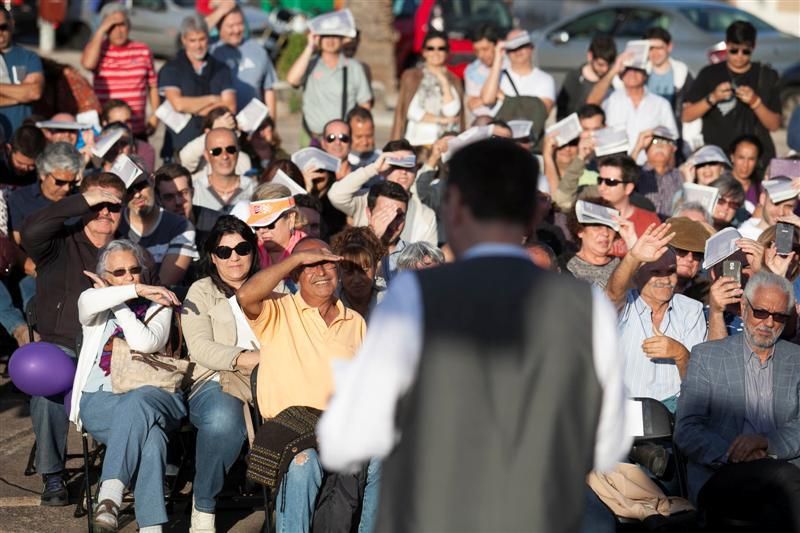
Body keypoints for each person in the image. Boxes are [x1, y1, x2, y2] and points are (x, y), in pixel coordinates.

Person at [317, 138, 629, 532]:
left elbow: (348, 435)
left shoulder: (414, 295)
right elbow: (607, 440)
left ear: (454, 208)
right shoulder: (585, 304)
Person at [236, 237, 366, 533]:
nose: (320, 271)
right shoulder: (279, 309)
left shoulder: (355, 321)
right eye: (310, 265)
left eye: (327, 263)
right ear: (296, 273)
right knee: (303, 464)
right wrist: (296, 259)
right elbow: (245, 296)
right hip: (291, 431)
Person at [21, 172, 126, 506]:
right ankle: (53, 475)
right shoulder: (57, 243)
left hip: (110, 349)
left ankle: (132, 470)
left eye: (114, 206)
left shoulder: (125, 253)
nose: (105, 212)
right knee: (47, 393)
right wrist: (83, 200)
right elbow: (31, 229)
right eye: (99, 204)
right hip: (61, 346)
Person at [69, 239, 182, 532]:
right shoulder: (94, 305)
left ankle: (109, 496)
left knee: (138, 403)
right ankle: (151, 528)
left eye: (135, 271)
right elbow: (87, 303)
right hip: (101, 400)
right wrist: (130, 293)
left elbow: (144, 342)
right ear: (104, 277)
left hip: (157, 395)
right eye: (119, 273)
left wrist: (122, 302)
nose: (129, 277)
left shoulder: (160, 304)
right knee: (152, 438)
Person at [675, 271, 800, 509]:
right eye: (761, 312)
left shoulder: (797, 359)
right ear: (744, 307)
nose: (769, 323)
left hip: (785, 469)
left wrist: (765, 443)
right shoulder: (707, 356)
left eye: (780, 316)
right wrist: (733, 453)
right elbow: (687, 429)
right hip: (723, 472)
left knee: (783, 484)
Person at [182, 216, 261, 533]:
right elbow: (200, 347)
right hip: (215, 378)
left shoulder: (274, 285)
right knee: (223, 421)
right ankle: (203, 508)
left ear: (253, 251)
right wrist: (245, 358)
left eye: (242, 248)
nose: (234, 257)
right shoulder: (201, 291)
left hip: (272, 377)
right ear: (212, 257)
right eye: (224, 251)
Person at [605, 222, 707, 412]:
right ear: (637, 277)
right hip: (624, 410)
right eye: (655, 272)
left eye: (670, 271)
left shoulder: (691, 310)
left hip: (675, 413)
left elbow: (699, 384)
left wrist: (680, 353)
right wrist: (633, 256)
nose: (665, 279)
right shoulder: (626, 305)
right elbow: (612, 293)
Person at [682, 21, 781, 168]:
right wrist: (713, 98)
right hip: (718, 160)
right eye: (734, 50)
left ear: (753, 47)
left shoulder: (766, 76)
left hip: (754, 162)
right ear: (727, 45)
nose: (739, 56)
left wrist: (755, 102)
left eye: (745, 51)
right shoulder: (709, 73)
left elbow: (774, 125)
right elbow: (687, 115)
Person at [8, 142, 82, 310]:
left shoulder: (78, 200)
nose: (66, 188)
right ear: (43, 174)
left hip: (73, 273)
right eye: (60, 182)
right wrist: (33, 268)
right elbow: (14, 244)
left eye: (72, 183)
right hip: (35, 273)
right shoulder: (21, 199)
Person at [329, 140, 438, 246]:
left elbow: (430, 260)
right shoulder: (364, 199)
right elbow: (335, 195)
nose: (404, 171)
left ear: (416, 170)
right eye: (397, 165)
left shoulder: (427, 216)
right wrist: (374, 168)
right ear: (384, 169)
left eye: (409, 166)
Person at [157, 15, 236, 156]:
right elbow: (178, 104)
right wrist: (213, 99)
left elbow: (230, 106)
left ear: (208, 38)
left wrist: (193, 108)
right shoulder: (171, 68)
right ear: (184, 40)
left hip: (217, 149)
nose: (198, 45)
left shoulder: (221, 68)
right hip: (179, 148)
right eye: (193, 40)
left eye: (202, 39)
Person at [80, 3, 159, 139]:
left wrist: (155, 117)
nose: (118, 31)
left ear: (129, 25)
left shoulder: (143, 50)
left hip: (136, 130)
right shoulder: (98, 50)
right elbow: (87, 63)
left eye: (122, 25)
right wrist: (101, 29)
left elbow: (153, 86)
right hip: (107, 129)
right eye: (112, 26)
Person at [587, 48, 677, 165]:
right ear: (620, 75)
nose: (632, 74)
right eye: (627, 70)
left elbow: (672, 142)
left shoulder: (661, 104)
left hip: (649, 169)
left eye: (637, 70)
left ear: (645, 75)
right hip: (613, 166)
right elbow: (591, 104)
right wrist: (614, 69)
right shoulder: (610, 99)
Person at [286, 23, 372, 143]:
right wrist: (310, 46)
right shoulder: (309, 64)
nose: (330, 40)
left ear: (343, 39)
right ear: (318, 38)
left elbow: (364, 104)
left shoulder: (354, 67)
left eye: (335, 36)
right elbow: (292, 80)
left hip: (342, 139)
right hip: (312, 136)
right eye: (326, 35)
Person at [117, 170, 198, 287]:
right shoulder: (114, 224)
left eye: (140, 186)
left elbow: (164, 284)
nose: (137, 195)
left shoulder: (180, 226)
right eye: (129, 190)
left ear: (152, 180)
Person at [391, 30, 464, 146]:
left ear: (447, 52)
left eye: (441, 48)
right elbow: (411, 111)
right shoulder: (412, 76)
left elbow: (452, 111)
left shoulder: (454, 80)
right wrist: (441, 120)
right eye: (431, 48)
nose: (436, 52)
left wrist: (443, 81)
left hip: (447, 146)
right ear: (424, 52)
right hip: (417, 144)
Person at [210, 5, 277, 120]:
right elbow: (195, 32)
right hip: (221, 124)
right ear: (218, 26)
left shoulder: (258, 49)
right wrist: (221, 10)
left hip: (252, 125)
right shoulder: (210, 49)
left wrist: (272, 124)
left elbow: (268, 90)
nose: (236, 30)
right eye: (231, 26)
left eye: (240, 24)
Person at [480, 29, 556, 115]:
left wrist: (504, 98)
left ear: (531, 47)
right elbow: (487, 100)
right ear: (506, 52)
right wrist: (497, 57)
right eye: (512, 48)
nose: (517, 51)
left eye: (521, 46)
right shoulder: (496, 76)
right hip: (499, 126)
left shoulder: (545, 79)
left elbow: (543, 110)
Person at [0, 7, 44, 141]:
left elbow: (34, 92)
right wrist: (21, 95)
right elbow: (28, 93)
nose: (0, 33)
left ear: (12, 24)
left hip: (21, 141)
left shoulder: (28, 57)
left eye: (3, 27)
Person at [154, 163, 220, 251]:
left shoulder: (217, 225)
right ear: (158, 199)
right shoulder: (153, 232)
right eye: (169, 197)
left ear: (192, 193)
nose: (178, 202)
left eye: (183, 193)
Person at [644, 27, 695, 138]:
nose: (655, 53)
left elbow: (691, 107)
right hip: (646, 132)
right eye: (650, 48)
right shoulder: (640, 72)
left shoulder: (682, 72)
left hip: (672, 134)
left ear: (669, 47)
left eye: (659, 48)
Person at [596, 154, 661, 239]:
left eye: (610, 182)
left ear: (628, 188)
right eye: (600, 180)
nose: (602, 187)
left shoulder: (650, 222)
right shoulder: (588, 215)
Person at [192, 127, 255, 213]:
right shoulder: (195, 192)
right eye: (216, 151)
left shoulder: (254, 190)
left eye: (231, 149)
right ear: (206, 155)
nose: (225, 156)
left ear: (238, 151)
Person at [330, 226, 387, 319]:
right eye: (349, 271)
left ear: (376, 266)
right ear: (338, 269)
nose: (357, 279)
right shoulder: (328, 301)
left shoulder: (391, 300)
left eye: (364, 269)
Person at [556, 35, 616, 120]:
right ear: (590, 56)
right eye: (600, 64)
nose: (605, 69)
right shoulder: (574, 78)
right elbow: (562, 111)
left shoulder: (614, 80)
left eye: (609, 65)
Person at [630, 127, 683, 219]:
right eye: (654, 141)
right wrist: (637, 148)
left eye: (666, 142)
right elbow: (620, 177)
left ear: (673, 148)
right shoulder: (636, 172)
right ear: (645, 148)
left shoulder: (681, 176)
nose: (660, 146)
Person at [566, 201, 620, 288]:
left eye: (610, 227)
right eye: (597, 226)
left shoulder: (623, 265)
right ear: (580, 231)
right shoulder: (565, 265)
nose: (606, 233)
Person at [366, 181, 410, 283]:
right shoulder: (348, 252)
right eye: (385, 214)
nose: (392, 223)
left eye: (399, 216)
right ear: (369, 213)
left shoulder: (415, 256)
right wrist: (374, 237)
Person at [100, 100, 157, 173]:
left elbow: (145, 179)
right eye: (118, 123)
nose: (124, 126)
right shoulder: (94, 147)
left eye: (127, 121)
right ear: (105, 123)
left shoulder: (144, 149)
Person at [667, 217, 713, 303]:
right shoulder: (641, 284)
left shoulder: (709, 293)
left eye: (697, 254)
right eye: (682, 250)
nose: (690, 258)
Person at [738, 176, 799, 241]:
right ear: (762, 199)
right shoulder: (742, 236)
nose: (780, 213)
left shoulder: (796, 239)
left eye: (788, 207)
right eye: (776, 204)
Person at [464, 24, 501, 119]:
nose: (481, 55)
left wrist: (482, 98)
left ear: (497, 45)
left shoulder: (510, 66)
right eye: (476, 51)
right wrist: (496, 95)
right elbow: (472, 105)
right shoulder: (472, 71)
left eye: (485, 49)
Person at [0, 124, 46, 188]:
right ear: (9, 149)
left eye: (32, 165)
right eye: (20, 162)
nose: (25, 168)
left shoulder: (42, 175)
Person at [728, 134, 764, 212]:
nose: (745, 165)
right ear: (732, 157)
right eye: (741, 158)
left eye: (751, 159)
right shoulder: (718, 185)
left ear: (757, 161)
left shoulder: (762, 190)